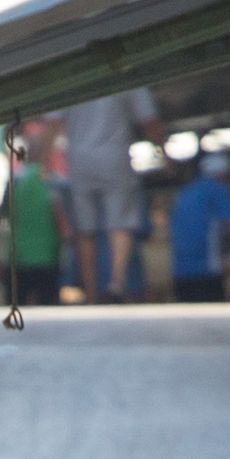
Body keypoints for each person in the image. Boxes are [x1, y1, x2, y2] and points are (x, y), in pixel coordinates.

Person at [61, 86, 154, 301]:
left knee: (85, 229)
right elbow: (148, 117)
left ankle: (91, 292)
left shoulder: (71, 76)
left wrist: (44, 165)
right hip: (116, 156)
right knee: (120, 222)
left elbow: (52, 121)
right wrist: (162, 151)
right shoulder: (125, 76)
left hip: (78, 159)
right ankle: (117, 281)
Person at [0, 129, 63, 317]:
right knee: (47, 315)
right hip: (47, 259)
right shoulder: (52, 182)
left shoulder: (14, 183)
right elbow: (63, 223)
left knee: (17, 315)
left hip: (18, 260)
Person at [168, 154, 230, 304]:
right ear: (224, 174)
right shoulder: (218, 189)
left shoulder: (186, 191)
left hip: (180, 270)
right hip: (207, 269)